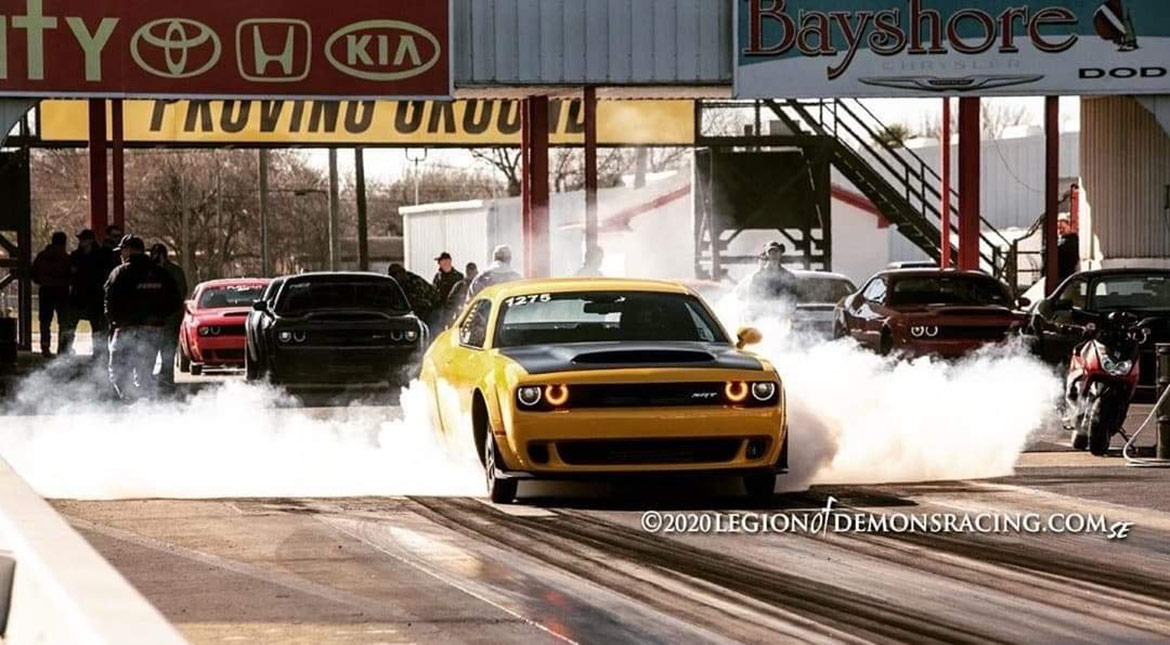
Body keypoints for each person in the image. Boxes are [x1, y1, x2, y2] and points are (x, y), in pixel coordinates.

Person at [104, 235, 182, 402]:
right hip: (152, 330)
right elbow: (176, 300)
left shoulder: (119, 272)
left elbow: (108, 301)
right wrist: (159, 316)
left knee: (117, 371)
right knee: (145, 372)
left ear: (129, 250)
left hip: (125, 329)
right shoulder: (160, 273)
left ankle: (130, 400)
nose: (120, 255)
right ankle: (144, 403)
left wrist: (115, 321)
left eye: (122, 251)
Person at [150, 243, 189, 388]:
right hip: (161, 319)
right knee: (161, 351)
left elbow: (180, 292)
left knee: (164, 351)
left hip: (166, 319)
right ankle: (165, 381)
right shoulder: (173, 271)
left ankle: (165, 381)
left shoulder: (169, 271)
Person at [30, 231, 71, 357]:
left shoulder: (42, 256)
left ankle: (45, 347)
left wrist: (42, 281)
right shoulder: (66, 258)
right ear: (64, 242)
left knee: (45, 321)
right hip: (62, 291)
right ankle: (63, 348)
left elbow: (33, 273)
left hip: (46, 289)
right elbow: (71, 275)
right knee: (63, 321)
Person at [431, 251, 464, 327]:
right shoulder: (438, 276)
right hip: (440, 310)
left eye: (440, 261)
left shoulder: (458, 277)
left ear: (447, 261)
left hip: (453, 309)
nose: (438, 263)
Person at [1057, 215, 1080, 284]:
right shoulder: (1058, 240)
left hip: (1067, 274)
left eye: (1063, 228)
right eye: (1059, 228)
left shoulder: (1072, 239)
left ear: (1068, 226)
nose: (1060, 231)